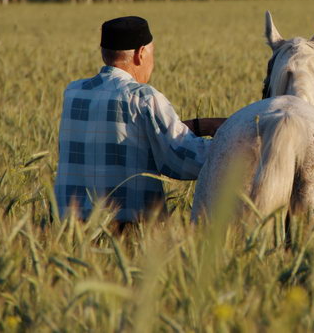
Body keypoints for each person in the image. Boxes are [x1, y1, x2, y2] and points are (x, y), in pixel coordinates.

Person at [54, 16, 225, 226]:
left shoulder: (73, 92)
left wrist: (199, 126)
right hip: (127, 229)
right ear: (140, 53)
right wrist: (232, 141)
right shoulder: (143, 97)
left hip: (70, 229)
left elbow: (125, 135)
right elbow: (182, 160)